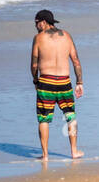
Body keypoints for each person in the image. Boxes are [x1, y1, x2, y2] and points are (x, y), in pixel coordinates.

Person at [31, 9, 84, 160]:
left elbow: (34, 65)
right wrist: (79, 82)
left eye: (36, 23)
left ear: (43, 22)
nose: (35, 26)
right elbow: (76, 61)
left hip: (46, 81)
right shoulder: (66, 36)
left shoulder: (38, 38)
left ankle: (45, 155)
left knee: (44, 119)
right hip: (64, 82)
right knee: (70, 117)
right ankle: (74, 152)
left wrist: (36, 81)